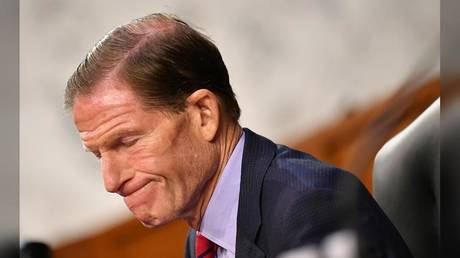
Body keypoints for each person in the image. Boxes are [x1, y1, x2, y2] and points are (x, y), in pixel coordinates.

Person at [65, 13, 413, 258]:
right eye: (99, 155)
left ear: (204, 114)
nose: (110, 181)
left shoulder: (311, 209)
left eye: (126, 141)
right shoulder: (204, 236)